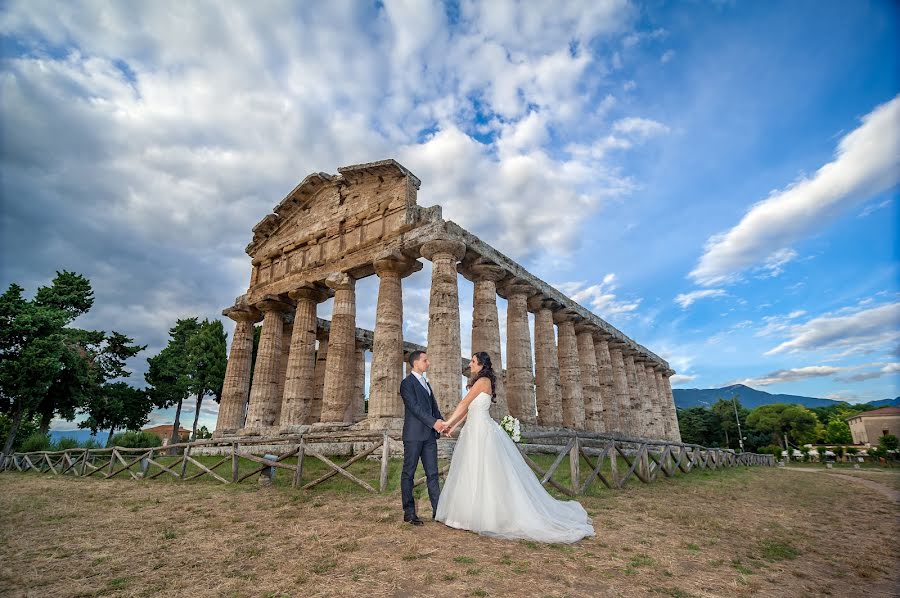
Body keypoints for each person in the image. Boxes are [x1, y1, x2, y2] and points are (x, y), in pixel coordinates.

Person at [434, 351, 595, 543]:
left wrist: (446, 422)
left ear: (481, 365)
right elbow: (469, 410)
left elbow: (463, 403)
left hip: (481, 432)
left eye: (473, 362)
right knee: (471, 470)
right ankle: (466, 515)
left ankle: (489, 516)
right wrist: (453, 426)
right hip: (473, 430)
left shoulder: (483, 381)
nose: (470, 365)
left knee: (485, 472)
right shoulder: (481, 382)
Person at [399, 350, 446, 526]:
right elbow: (414, 408)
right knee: (408, 473)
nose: (429, 363)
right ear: (416, 363)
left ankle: (438, 511)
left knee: (433, 473)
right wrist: (434, 423)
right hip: (413, 435)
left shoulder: (426, 383)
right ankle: (409, 513)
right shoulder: (406, 384)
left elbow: (434, 408)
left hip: (429, 436)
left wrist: (442, 424)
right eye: (425, 360)